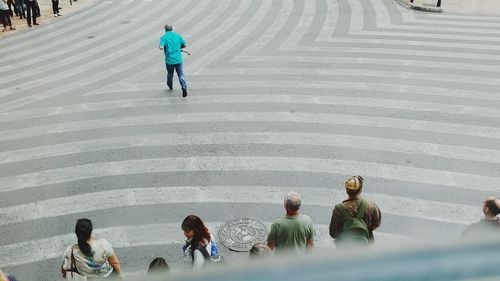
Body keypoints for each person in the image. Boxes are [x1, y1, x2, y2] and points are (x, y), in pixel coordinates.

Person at [329, 176, 381, 248]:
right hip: (365, 247)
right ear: (360, 190)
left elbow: (333, 234)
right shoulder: (372, 206)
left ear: (347, 191)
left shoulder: (338, 210)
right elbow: (376, 224)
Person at [159, 24, 189, 97]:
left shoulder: (163, 37)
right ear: (172, 29)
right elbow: (185, 45)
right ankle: (184, 87)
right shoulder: (178, 36)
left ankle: (170, 86)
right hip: (178, 59)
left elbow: (161, 47)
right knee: (180, 74)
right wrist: (178, 47)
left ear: (165, 29)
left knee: (170, 74)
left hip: (169, 60)